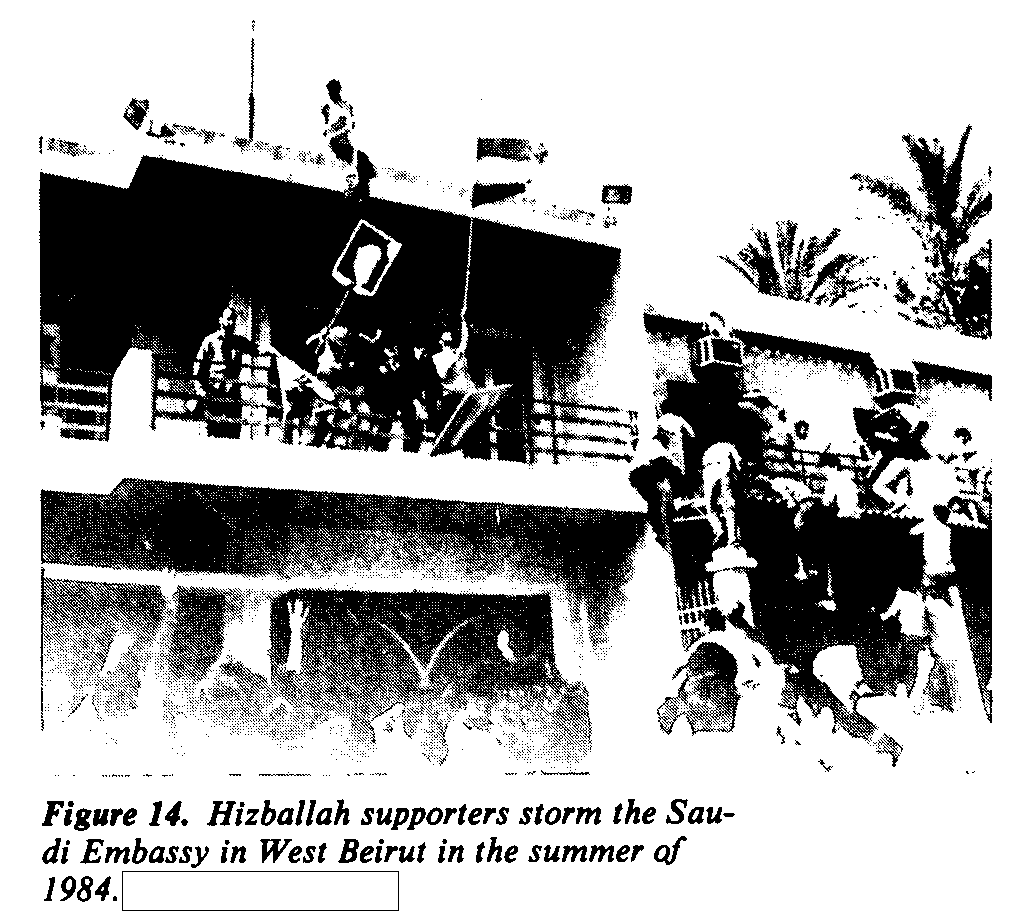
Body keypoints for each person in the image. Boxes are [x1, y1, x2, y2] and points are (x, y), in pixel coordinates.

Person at [193, 305, 258, 439]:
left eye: (234, 320)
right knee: (211, 433)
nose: (232, 323)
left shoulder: (240, 342)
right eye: (229, 319)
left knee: (233, 433)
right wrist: (201, 392)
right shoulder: (209, 342)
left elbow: (258, 350)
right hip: (213, 394)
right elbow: (198, 370)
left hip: (233, 395)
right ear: (221, 320)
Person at [322, 81, 377, 200]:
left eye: (334, 90)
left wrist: (334, 132)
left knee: (357, 163)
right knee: (353, 164)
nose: (332, 93)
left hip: (344, 143)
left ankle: (357, 192)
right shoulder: (327, 108)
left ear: (338, 90)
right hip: (336, 144)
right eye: (330, 91)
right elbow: (325, 129)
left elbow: (349, 126)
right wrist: (331, 133)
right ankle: (355, 191)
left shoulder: (346, 107)